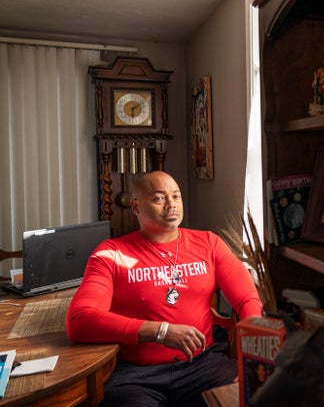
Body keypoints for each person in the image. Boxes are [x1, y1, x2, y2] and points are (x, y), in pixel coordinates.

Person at [66, 171, 263, 406]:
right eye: (159, 198)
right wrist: (159, 331)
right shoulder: (111, 253)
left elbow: (248, 300)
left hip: (203, 365)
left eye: (176, 196)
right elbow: (79, 321)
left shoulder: (209, 243)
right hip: (136, 375)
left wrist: (252, 358)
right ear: (136, 207)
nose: (171, 204)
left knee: (246, 399)